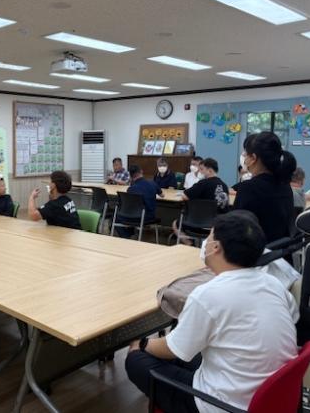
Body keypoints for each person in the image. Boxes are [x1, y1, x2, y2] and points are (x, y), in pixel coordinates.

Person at [125, 211, 298, 413]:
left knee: (136, 359)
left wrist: (142, 344)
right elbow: (291, 317)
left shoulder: (208, 295)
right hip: (271, 397)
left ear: (215, 247)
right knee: (189, 352)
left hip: (222, 405)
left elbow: (171, 349)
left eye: (209, 236)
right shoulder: (274, 284)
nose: (205, 243)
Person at [234, 132, 297, 242]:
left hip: (255, 250)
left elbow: (236, 228)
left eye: (245, 153)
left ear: (253, 158)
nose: (243, 156)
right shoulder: (285, 186)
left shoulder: (248, 188)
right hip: (280, 249)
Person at [114, 165, 163, 238]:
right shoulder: (152, 183)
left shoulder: (131, 189)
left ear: (130, 176)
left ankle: (127, 236)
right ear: (141, 172)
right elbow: (162, 195)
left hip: (133, 216)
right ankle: (129, 235)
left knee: (115, 217)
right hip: (148, 217)